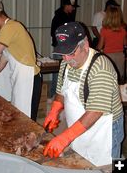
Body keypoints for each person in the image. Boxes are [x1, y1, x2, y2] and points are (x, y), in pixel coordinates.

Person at [43, 22, 124, 166]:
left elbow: (95, 111)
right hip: (81, 124)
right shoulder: (66, 62)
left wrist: (65, 137)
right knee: (83, 163)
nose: (66, 59)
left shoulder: (101, 68)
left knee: (108, 166)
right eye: (63, 53)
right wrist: (55, 109)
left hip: (105, 127)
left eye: (71, 52)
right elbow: (62, 89)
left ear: (85, 45)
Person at [50, 0, 79, 99]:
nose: (73, 9)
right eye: (72, 6)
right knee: (58, 71)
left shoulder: (66, 17)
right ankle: (54, 94)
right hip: (61, 48)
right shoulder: (60, 18)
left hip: (63, 47)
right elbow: (54, 33)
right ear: (66, 6)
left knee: (60, 71)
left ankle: (57, 94)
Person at [96, 5, 127, 83]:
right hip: (120, 56)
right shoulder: (123, 30)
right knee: (118, 79)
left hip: (108, 57)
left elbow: (100, 46)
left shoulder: (104, 30)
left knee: (109, 79)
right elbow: (125, 44)